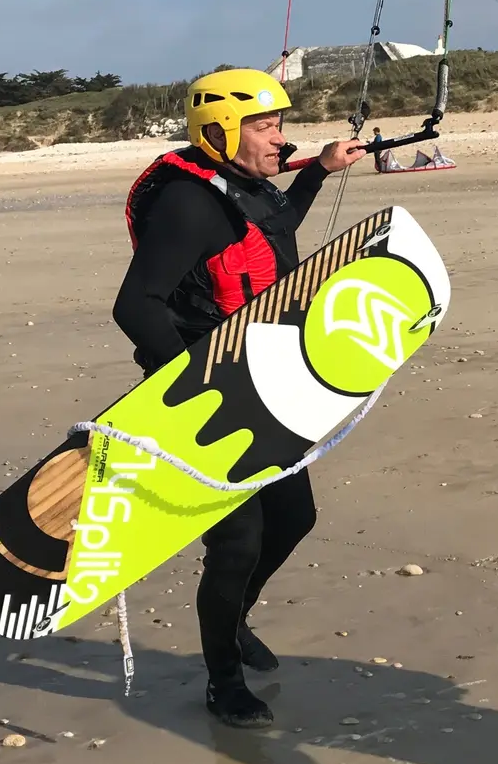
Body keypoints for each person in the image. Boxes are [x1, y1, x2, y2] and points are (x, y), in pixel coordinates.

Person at [113, 67, 366, 729]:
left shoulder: (245, 187)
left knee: (294, 516)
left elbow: (273, 231)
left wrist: (317, 171)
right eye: (265, 125)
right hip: (197, 391)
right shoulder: (186, 203)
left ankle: (234, 614)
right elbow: (135, 306)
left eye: (279, 123)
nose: (279, 138)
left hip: (260, 379)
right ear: (222, 131)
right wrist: (189, 382)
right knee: (237, 541)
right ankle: (223, 681)